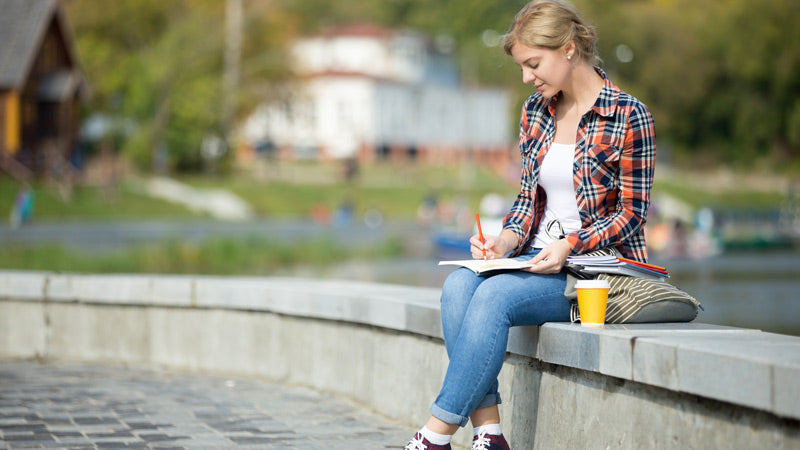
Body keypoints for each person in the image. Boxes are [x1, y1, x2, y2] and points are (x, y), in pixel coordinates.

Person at [403, 1, 656, 449]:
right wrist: (504, 240)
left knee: (495, 296)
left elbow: (632, 216)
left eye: (533, 64)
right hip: (534, 261)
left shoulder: (629, 116)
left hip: (595, 275)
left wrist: (570, 246)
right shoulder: (535, 112)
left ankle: (434, 436)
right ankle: (489, 433)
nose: (527, 77)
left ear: (570, 49)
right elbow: (526, 201)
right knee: (458, 286)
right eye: (523, 66)